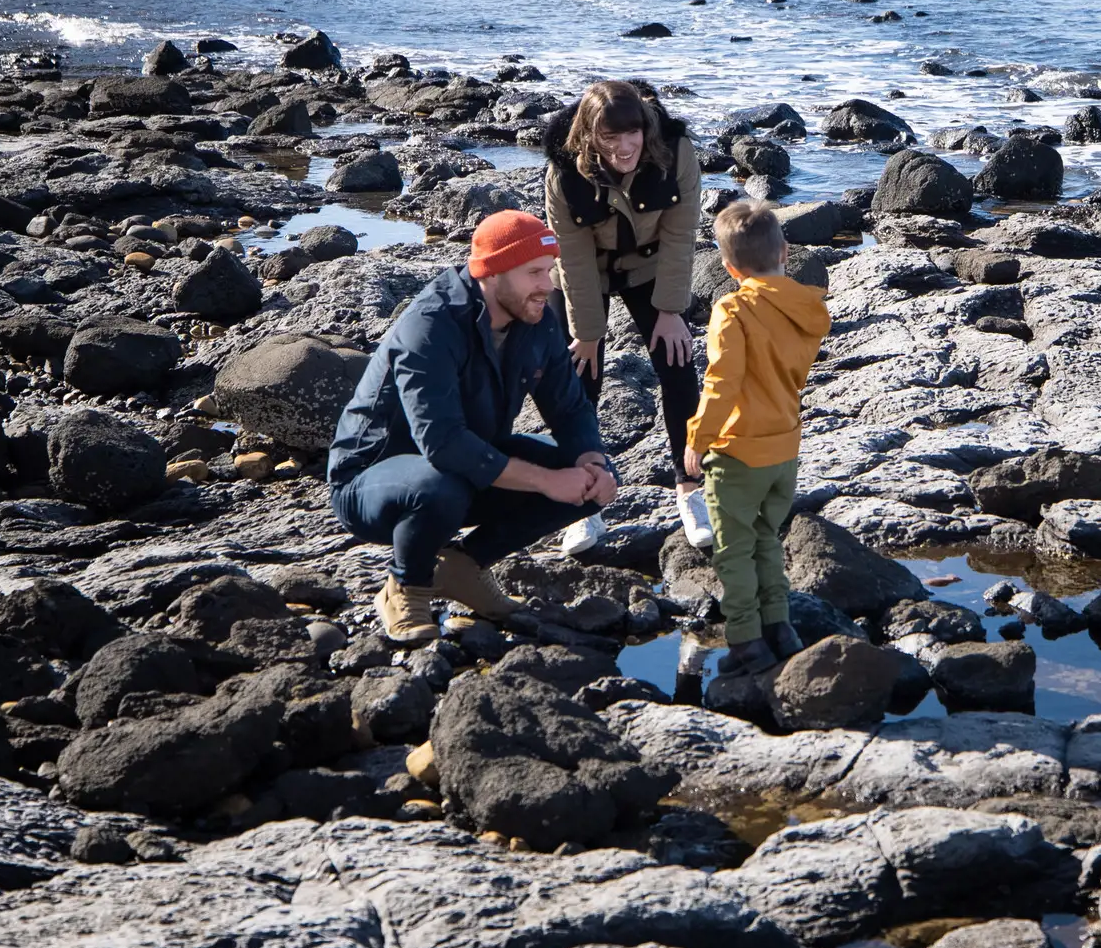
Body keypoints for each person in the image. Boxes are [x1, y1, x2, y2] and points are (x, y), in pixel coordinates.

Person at [327, 209, 617, 638]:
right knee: (440, 486)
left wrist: (591, 460)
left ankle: (463, 567)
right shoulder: (431, 325)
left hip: (466, 468)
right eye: (535, 272)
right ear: (493, 272)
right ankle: (406, 585)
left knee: (592, 481)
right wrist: (542, 481)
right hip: (373, 483)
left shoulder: (534, 319)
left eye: (549, 271)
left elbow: (569, 408)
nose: (547, 286)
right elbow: (442, 443)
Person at [541, 77, 710, 549]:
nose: (623, 146)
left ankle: (691, 490)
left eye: (630, 133)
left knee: (677, 366)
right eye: (609, 137)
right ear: (588, 136)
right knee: (578, 377)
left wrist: (671, 312)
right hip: (586, 271)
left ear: (644, 126)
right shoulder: (563, 174)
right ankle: (583, 502)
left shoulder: (675, 151)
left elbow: (681, 237)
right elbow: (570, 256)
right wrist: (589, 332)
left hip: (651, 265)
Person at [682, 196, 829, 702]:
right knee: (768, 538)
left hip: (739, 451)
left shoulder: (733, 309)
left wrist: (698, 439)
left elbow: (722, 381)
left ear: (727, 267)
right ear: (784, 252)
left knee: (733, 550)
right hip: (785, 446)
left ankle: (746, 639)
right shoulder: (807, 305)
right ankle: (780, 628)